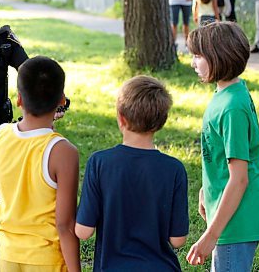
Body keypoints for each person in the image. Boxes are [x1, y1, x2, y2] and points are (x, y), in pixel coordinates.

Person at [75, 75, 189, 271]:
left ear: (121, 117)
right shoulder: (175, 169)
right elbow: (178, 240)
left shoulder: (100, 163)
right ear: (161, 122)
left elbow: (83, 231)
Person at [186, 22, 259, 271]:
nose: (193, 63)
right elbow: (220, 154)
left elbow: (239, 179)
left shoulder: (232, 107)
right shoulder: (227, 93)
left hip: (237, 219)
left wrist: (210, 236)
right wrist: (207, 188)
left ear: (218, 57)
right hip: (229, 213)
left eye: (198, 56)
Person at [0, 56, 80, 272]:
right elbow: (65, 225)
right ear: (61, 99)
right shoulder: (63, 151)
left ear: (19, 99)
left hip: (7, 257)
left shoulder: (0, 135)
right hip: (47, 261)